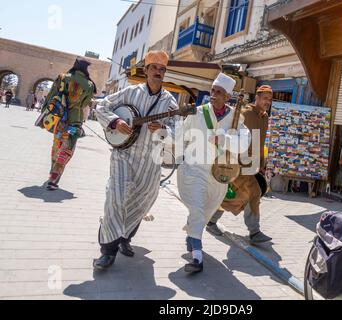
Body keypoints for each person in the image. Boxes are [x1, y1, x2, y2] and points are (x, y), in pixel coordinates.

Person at [93, 50, 180, 270]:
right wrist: (114, 122)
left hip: (151, 160)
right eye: (154, 68)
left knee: (143, 201)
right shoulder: (130, 92)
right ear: (146, 70)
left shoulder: (170, 102)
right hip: (124, 154)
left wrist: (162, 130)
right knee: (117, 198)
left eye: (162, 69)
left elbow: (177, 134)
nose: (158, 72)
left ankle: (125, 238)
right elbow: (101, 106)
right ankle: (108, 251)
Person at [177, 73, 250, 273]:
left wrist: (224, 139)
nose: (214, 95)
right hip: (194, 170)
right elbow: (180, 136)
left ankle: (192, 234)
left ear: (228, 97)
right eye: (213, 91)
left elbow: (244, 143)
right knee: (199, 209)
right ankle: (197, 257)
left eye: (219, 92)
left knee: (206, 210)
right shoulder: (197, 113)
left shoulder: (236, 118)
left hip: (219, 174)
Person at [207, 85, 274, 244]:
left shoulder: (264, 118)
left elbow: (260, 142)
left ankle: (210, 221)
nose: (267, 102)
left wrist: (261, 164)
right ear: (257, 98)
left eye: (270, 100)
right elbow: (230, 134)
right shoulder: (244, 114)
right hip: (237, 163)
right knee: (253, 193)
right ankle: (254, 232)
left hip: (251, 165)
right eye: (265, 98)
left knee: (232, 195)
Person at [45, 57, 96, 191]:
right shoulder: (89, 85)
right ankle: (54, 178)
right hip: (75, 122)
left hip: (59, 120)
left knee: (57, 146)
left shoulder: (62, 77)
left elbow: (51, 96)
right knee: (67, 149)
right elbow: (85, 104)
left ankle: (52, 173)